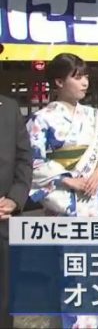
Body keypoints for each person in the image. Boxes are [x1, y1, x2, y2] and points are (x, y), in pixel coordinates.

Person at [26, 53, 98, 329]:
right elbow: (33, 163)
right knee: (70, 272)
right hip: (66, 205)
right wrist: (68, 181)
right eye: (77, 77)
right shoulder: (41, 120)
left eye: (86, 76)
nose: (84, 82)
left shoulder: (94, 117)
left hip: (95, 202)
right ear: (59, 81)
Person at [0, 94, 32, 328]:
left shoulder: (9, 108)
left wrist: (15, 198)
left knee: (4, 297)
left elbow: (24, 159)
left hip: (4, 218)